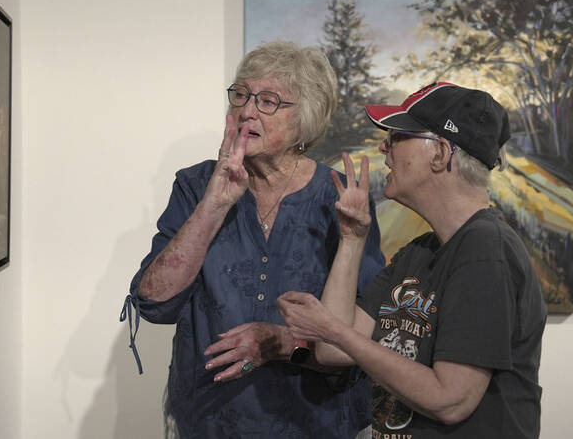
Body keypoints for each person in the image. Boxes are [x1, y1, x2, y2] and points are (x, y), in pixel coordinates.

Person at [121, 41, 384, 438]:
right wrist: (214, 203)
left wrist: (282, 342)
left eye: (268, 101)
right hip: (207, 421)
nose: (246, 110)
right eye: (240, 95)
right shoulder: (196, 185)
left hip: (313, 422)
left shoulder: (341, 198)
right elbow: (154, 305)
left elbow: (358, 340)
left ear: (305, 119)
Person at [278, 82, 546, 438]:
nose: (383, 147)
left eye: (399, 135)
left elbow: (450, 399)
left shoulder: (486, 250)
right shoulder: (418, 252)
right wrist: (352, 240)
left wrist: (332, 330)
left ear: (440, 153)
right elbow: (331, 352)